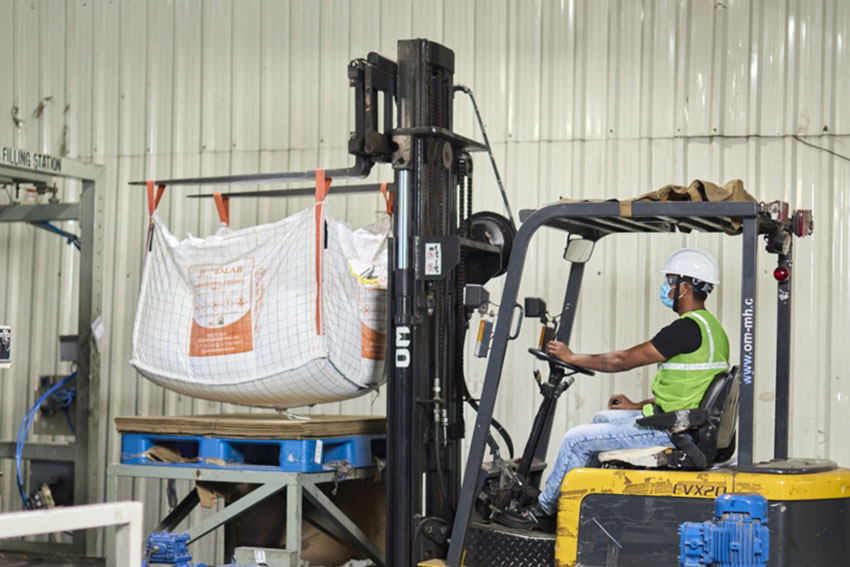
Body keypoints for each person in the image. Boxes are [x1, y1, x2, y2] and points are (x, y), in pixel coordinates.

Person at [497, 247, 729, 531]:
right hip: (682, 424)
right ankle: (586, 504)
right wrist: (634, 406)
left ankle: (543, 513)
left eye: (670, 280)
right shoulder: (713, 330)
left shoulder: (685, 330)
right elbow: (690, 391)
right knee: (601, 419)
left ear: (685, 286)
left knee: (576, 439)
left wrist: (571, 358)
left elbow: (623, 360)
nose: (665, 287)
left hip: (673, 434)